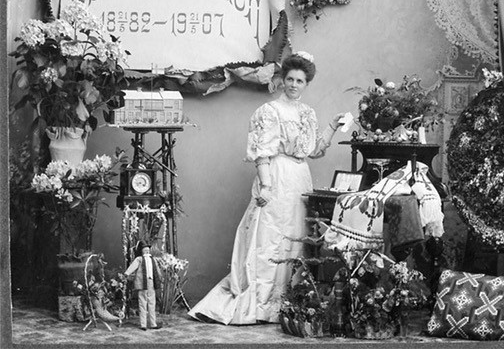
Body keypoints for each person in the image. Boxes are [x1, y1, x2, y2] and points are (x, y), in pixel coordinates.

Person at [188, 51, 345, 325]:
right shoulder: (269, 111)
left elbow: (314, 150)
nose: (295, 85)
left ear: (307, 83)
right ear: (282, 80)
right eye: (291, 79)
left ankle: (289, 302)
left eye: (300, 81)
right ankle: (261, 304)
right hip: (277, 175)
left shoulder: (308, 113)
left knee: (296, 238)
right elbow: (262, 153)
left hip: (300, 179)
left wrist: (332, 126)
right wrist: (266, 185)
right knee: (270, 239)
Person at [124, 241, 162, 330]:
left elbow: (157, 270)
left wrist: (160, 278)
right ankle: (143, 324)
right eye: (145, 250)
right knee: (142, 303)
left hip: (151, 283)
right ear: (142, 251)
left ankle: (153, 324)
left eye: (148, 250)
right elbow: (133, 266)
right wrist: (127, 273)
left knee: (152, 303)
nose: (147, 252)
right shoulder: (139, 259)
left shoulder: (153, 260)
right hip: (142, 283)